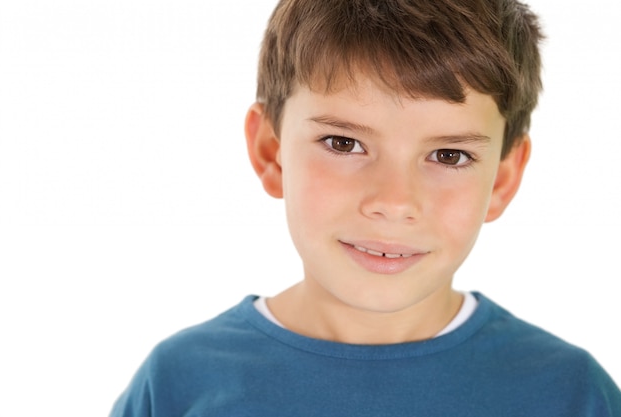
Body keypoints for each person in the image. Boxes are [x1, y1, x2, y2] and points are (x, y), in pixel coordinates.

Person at [109, 0, 621, 415]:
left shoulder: (569, 395)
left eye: (449, 155)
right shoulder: (181, 383)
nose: (394, 202)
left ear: (503, 178)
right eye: (343, 143)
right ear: (272, 152)